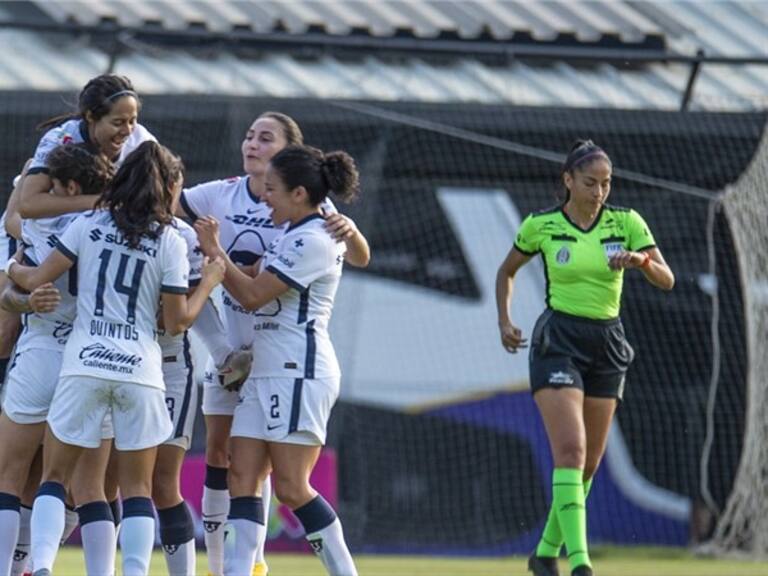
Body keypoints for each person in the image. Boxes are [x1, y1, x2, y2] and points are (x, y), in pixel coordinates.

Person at [5, 141, 225, 576]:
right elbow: (177, 321)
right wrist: (210, 280)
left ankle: (43, 564)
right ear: (169, 187)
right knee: (137, 488)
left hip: (84, 362)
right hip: (141, 371)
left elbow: (33, 277)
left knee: (55, 477)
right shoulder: (170, 240)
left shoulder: (89, 223)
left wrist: (13, 270)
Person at [177, 111, 369, 576]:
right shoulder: (287, 226)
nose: (267, 201)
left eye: (274, 194)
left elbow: (254, 292)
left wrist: (215, 251)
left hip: (297, 370)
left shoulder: (318, 236)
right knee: (241, 476)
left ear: (298, 193)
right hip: (257, 367)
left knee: (291, 486)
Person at [496, 140, 674, 576]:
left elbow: (666, 279)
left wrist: (640, 263)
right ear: (568, 180)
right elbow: (507, 271)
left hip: (608, 342)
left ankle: (544, 554)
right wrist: (504, 320)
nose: (599, 192)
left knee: (590, 462)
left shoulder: (627, 222)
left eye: (606, 184)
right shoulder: (542, 225)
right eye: (591, 183)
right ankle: (580, 564)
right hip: (559, 339)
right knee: (571, 451)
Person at [0, 144, 114, 576]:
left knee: (9, 474)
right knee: (90, 486)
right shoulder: (117, 227)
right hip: (96, 358)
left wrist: (20, 285)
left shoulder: (38, 226)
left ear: (64, 186)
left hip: (42, 355)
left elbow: (16, 219)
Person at [6, 74, 153, 223]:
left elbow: (171, 183)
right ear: (90, 116)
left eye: (132, 121)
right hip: (38, 234)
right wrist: (100, 203)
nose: (127, 130)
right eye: (117, 122)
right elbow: (28, 205)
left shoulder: (143, 142)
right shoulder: (61, 139)